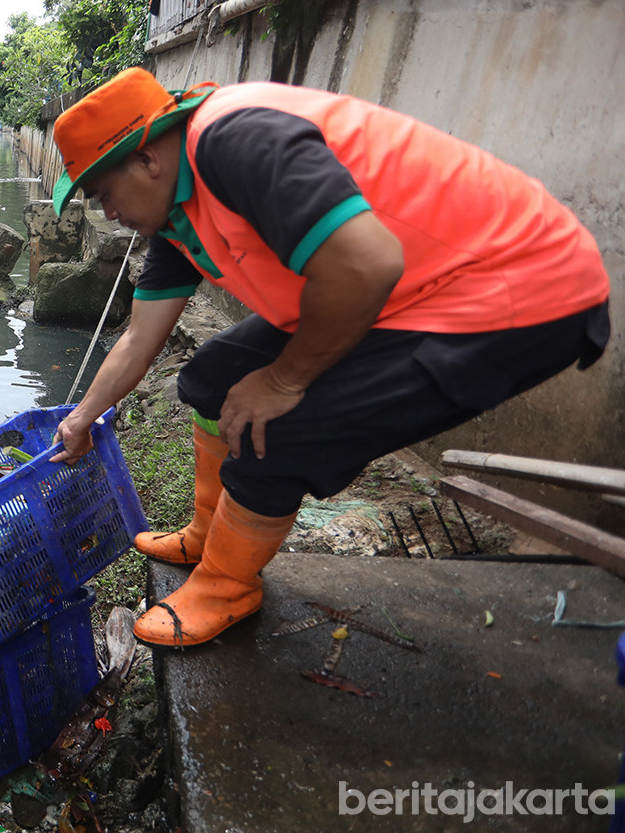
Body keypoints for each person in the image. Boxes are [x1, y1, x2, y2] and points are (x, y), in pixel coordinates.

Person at [48, 67, 610, 650]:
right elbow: (140, 339)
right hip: (399, 288)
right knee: (213, 375)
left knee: (282, 425)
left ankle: (226, 585)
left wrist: (285, 379)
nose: (106, 212)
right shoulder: (177, 215)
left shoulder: (235, 143)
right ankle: (204, 532)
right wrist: (83, 416)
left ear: (147, 160)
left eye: (102, 192)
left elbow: (366, 265)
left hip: (516, 288)